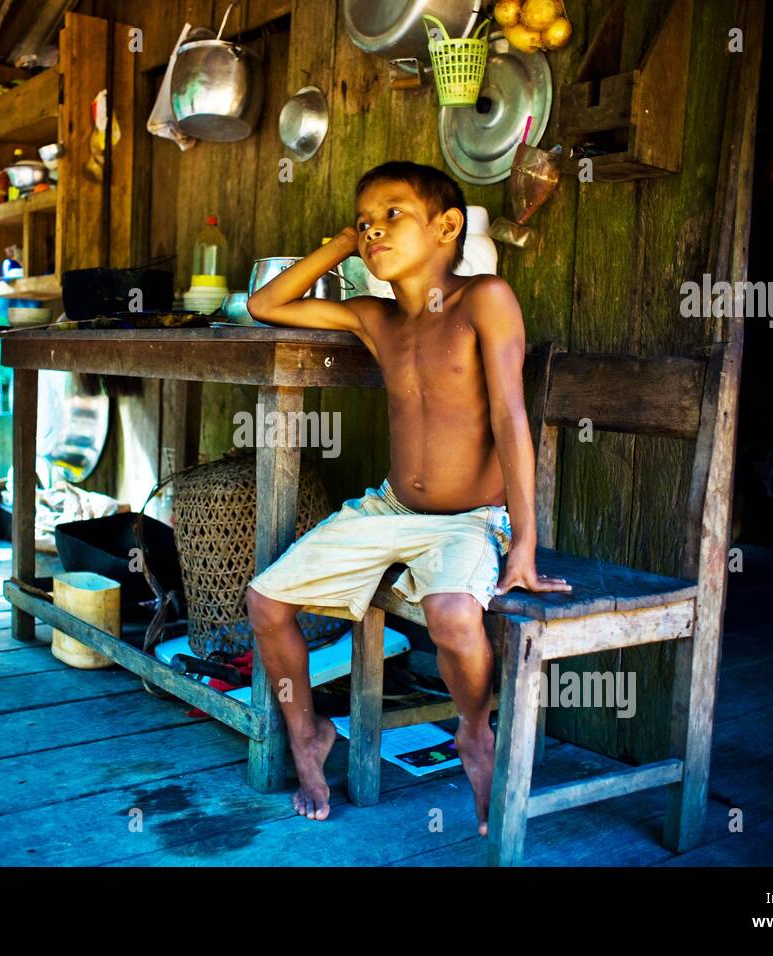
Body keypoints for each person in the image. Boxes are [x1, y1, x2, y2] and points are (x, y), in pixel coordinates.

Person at [244, 160, 572, 834]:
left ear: (447, 226)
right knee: (265, 599)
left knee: (454, 615)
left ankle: (475, 730)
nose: (374, 230)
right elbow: (265, 305)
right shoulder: (375, 317)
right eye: (365, 221)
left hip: (472, 519)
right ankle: (308, 733)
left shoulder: (485, 299)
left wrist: (527, 540)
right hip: (390, 510)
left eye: (393, 215)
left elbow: (513, 418)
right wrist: (342, 243)